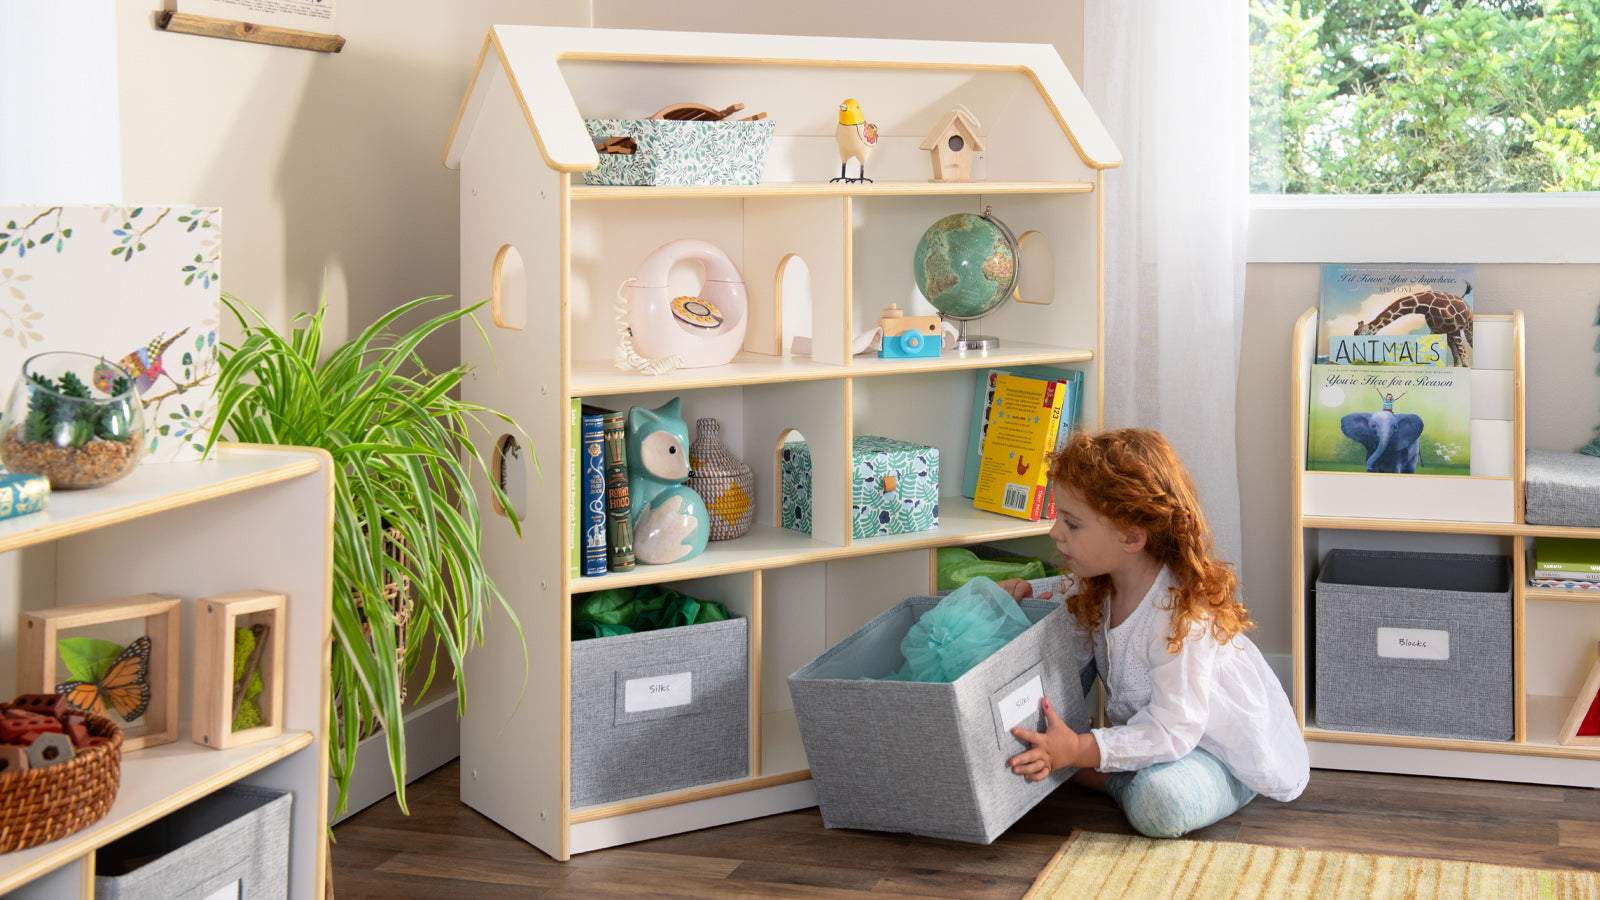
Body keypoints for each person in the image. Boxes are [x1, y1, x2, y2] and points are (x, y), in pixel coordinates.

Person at [999, 428, 1308, 838]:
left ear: (1131, 537)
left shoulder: (1180, 615)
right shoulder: (1094, 583)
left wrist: (1078, 750)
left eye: (1071, 523)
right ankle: (1095, 766)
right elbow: (1057, 629)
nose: (1055, 533)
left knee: (1159, 803)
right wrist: (1017, 600)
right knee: (1060, 643)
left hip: (1215, 752)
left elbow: (1175, 731)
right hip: (1159, 741)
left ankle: (1105, 776)